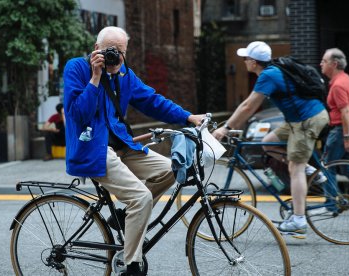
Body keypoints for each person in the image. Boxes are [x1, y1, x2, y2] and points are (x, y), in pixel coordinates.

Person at [62, 26, 203, 276]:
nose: (117, 57)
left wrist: (188, 117)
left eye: (121, 52)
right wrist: (95, 78)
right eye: (111, 51)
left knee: (171, 169)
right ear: (97, 49)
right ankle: (131, 265)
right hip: (92, 149)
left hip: (123, 146)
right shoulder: (77, 68)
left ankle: (124, 215)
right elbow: (76, 115)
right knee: (141, 198)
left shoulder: (125, 75)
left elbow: (152, 101)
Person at [212, 41, 329, 239]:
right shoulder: (272, 70)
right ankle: (311, 171)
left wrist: (226, 128)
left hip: (307, 119)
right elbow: (247, 106)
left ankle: (299, 221)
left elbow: (249, 106)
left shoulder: (268, 75)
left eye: (246, 58)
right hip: (297, 120)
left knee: (295, 168)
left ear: (254, 62)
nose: (244, 61)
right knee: (268, 142)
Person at [320, 48, 349, 184]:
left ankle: (331, 205)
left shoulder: (338, 85)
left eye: (324, 61)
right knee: (346, 166)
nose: (320, 64)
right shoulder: (346, 79)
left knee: (327, 166)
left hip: (341, 130)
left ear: (334, 64)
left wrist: (346, 137)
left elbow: (345, 111)